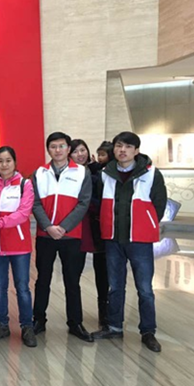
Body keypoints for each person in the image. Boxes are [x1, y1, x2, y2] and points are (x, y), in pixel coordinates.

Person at [93, 132, 167, 353]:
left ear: (136, 150)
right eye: (119, 145)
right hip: (113, 238)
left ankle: (148, 331)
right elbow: (101, 201)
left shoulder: (151, 173)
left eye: (127, 146)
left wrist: (146, 223)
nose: (122, 150)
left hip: (139, 239)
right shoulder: (106, 173)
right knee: (115, 286)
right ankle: (114, 326)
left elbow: (159, 204)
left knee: (144, 288)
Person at [31, 132, 94, 342]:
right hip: (45, 235)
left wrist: (64, 227)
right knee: (43, 279)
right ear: (48, 149)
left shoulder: (82, 172)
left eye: (61, 146)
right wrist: (48, 226)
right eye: (53, 147)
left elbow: (83, 203)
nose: (57, 150)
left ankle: (75, 323)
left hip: (72, 236)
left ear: (68, 149)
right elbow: (35, 203)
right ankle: (38, 319)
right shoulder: (39, 173)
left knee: (72, 281)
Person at [0, 147, 37, 347]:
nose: (4, 165)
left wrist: (0, 223)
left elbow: (23, 213)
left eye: (8, 161)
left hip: (19, 246)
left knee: (22, 287)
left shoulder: (25, 185)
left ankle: (27, 326)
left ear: (15, 162)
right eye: (0, 161)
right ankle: (2, 324)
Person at [70, 139, 109, 327]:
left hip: (97, 227)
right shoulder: (68, 174)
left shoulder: (98, 172)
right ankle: (75, 317)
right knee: (73, 273)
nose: (80, 154)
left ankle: (105, 313)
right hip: (77, 227)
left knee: (103, 273)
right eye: (75, 151)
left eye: (82, 150)